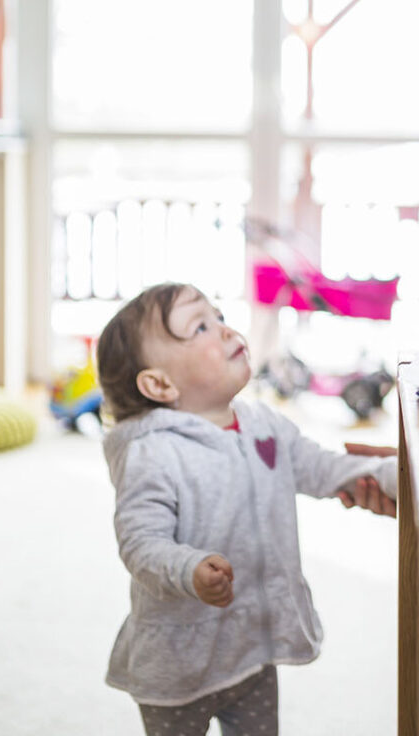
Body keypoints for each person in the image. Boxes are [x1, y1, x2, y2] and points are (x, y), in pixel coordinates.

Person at [95, 282, 398, 736]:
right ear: (159, 383)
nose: (225, 329)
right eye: (200, 326)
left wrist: (391, 474)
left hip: (250, 645)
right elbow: (141, 544)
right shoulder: (153, 455)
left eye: (218, 315)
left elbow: (319, 467)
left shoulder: (262, 424)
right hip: (179, 665)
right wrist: (190, 568)